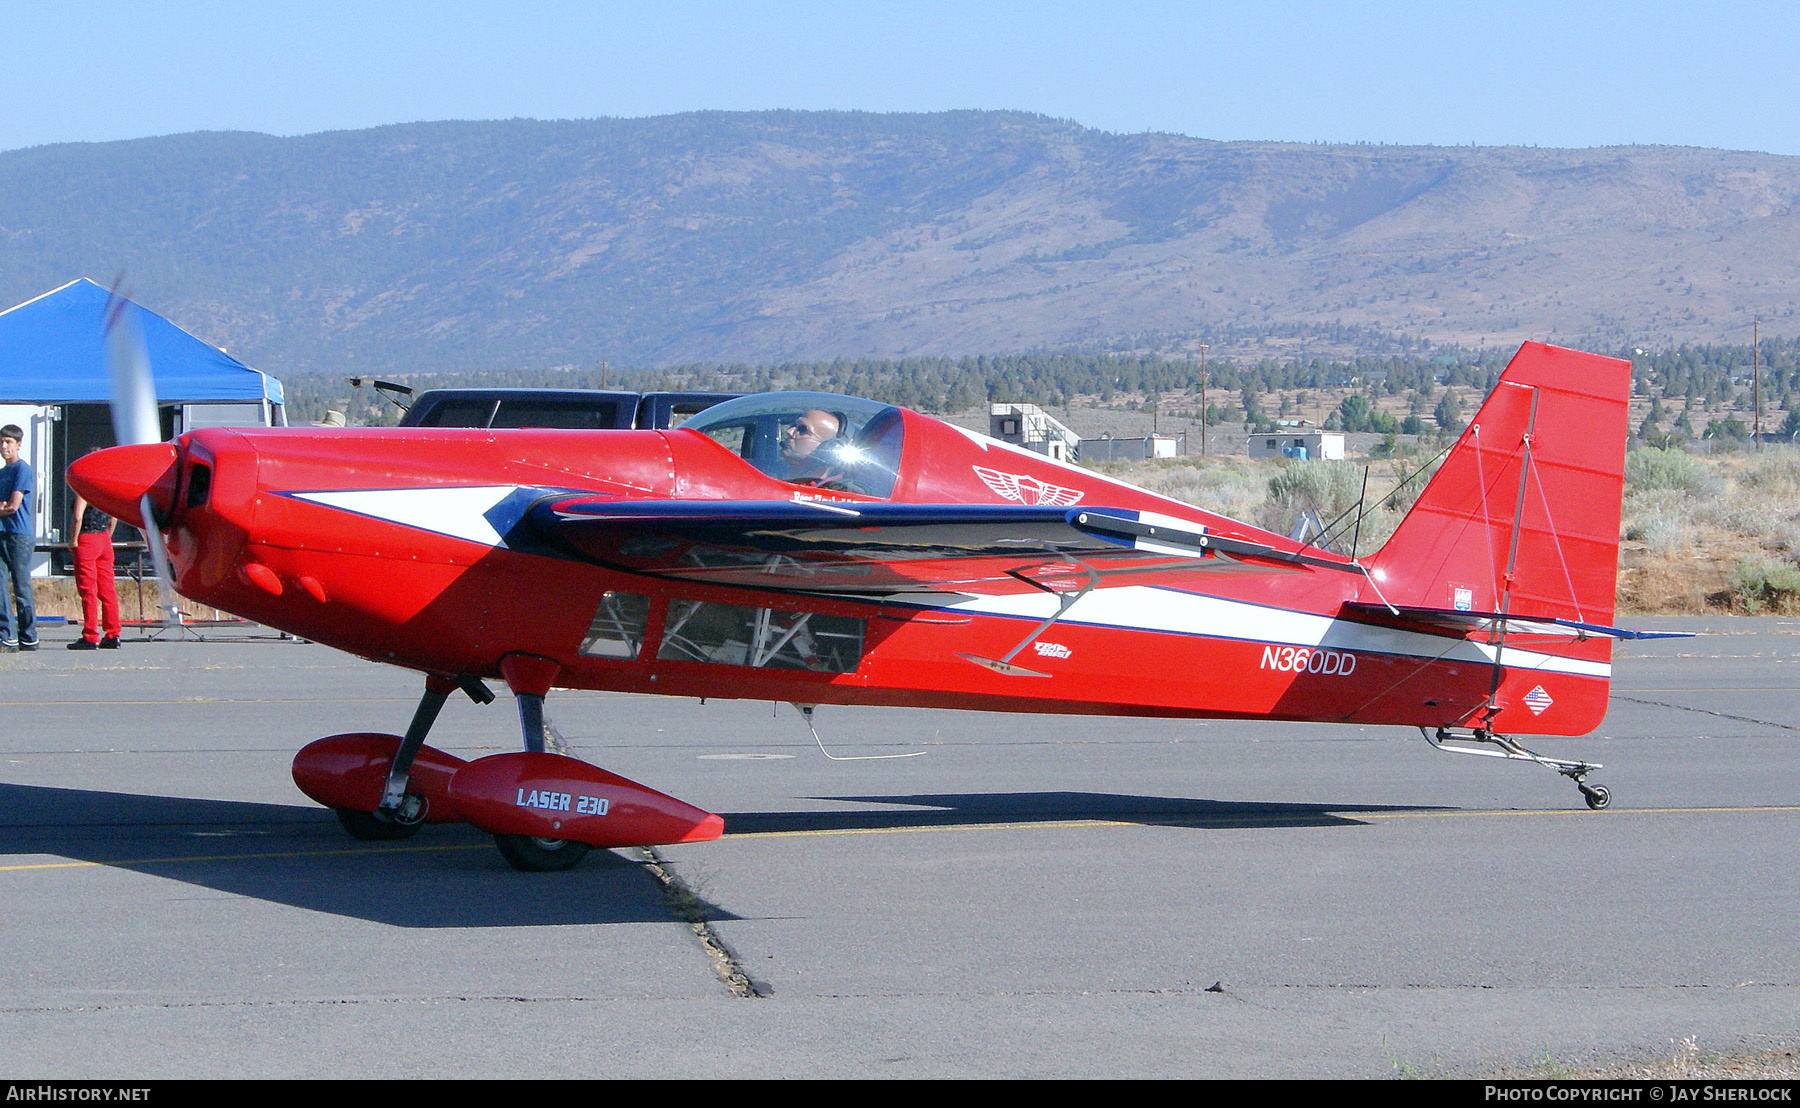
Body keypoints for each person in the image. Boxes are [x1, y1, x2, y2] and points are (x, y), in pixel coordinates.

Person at [67, 455, 122, 650]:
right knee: (107, 589)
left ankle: (91, 634)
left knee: (88, 589)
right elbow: (114, 516)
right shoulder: (105, 488)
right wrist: (108, 535)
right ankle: (113, 632)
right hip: (104, 538)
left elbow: (77, 515)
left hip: (87, 538)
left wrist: (73, 539)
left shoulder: (85, 487)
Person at [0, 425, 37, 652]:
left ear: (18, 444)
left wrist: (4, 506)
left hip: (19, 535)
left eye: (9, 442)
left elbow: (13, 506)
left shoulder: (22, 470)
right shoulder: (3, 473)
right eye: (2, 442)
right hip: (2, 533)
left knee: (21, 586)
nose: (4, 446)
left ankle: (29, 635)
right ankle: (7, 635)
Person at [776, 409, 841, 484]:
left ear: (828, 447)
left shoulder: (843, 491)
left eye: (802, 429)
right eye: (793, 425)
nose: (789, 431)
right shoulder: (770, 473)